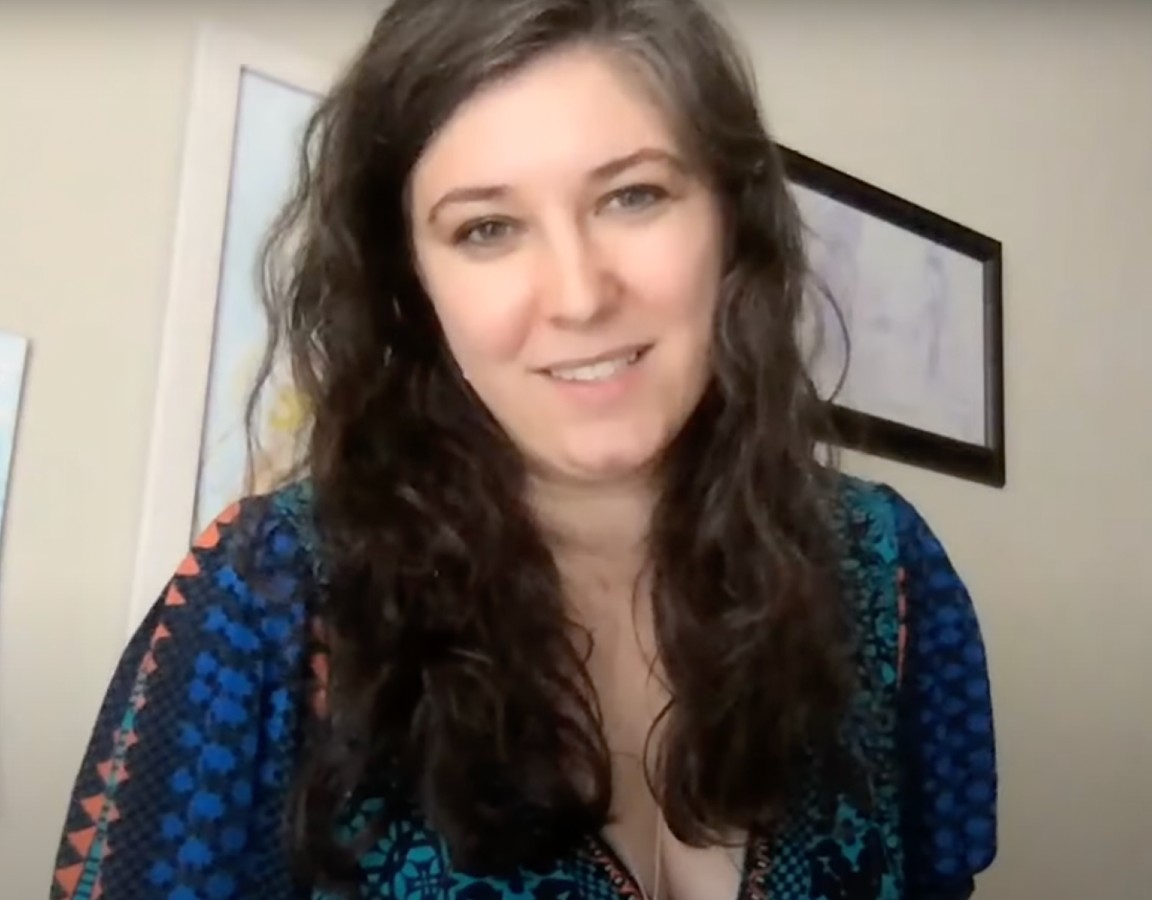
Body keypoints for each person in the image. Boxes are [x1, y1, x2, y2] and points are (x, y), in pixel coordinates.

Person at [48, 0, 997, 897]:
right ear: (412, 284)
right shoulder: (268, 603)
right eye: (487, 228)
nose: (579, 295)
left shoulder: (890, 574)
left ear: (730, 223)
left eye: (633, 195)